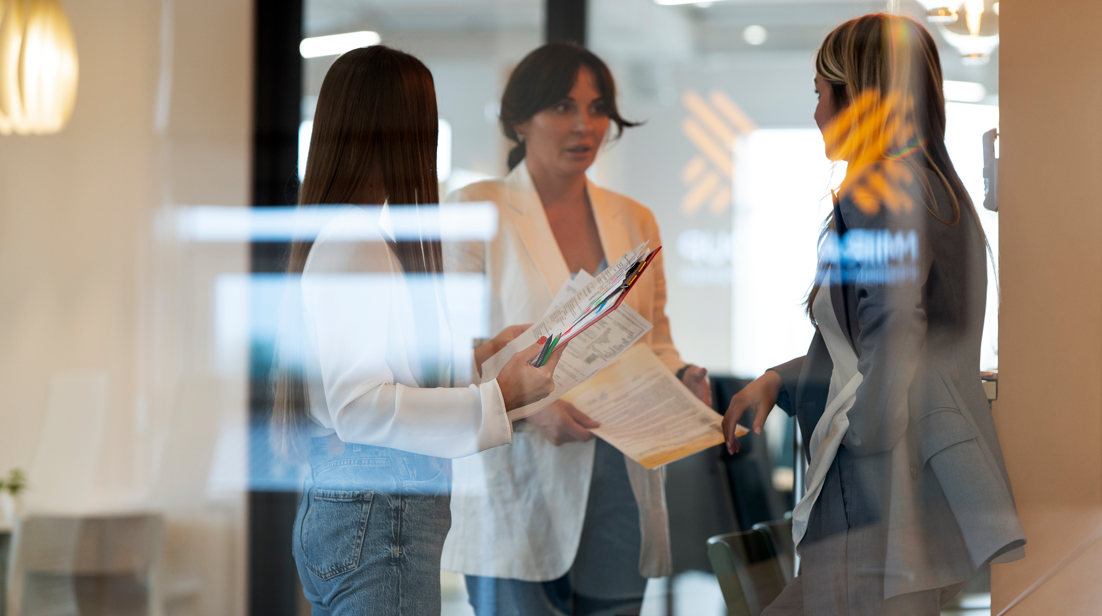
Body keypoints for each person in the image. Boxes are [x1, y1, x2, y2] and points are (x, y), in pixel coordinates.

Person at [721, 14, 1026, 615]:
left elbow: (893, 332)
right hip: (927, 497)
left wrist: (861, 439)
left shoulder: (879, 192)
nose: (815, 113)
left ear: (857, 95)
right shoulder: (940, 191)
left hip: (876, 501)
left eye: (819, 93)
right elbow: (875, 333)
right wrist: (780, 379)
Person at [271, 45, 569, 616]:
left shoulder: (347, 235)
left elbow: (375, 371)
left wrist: (480, 356)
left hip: (356, 503)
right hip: (378, 509)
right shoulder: (353, 240)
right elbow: (358, 406)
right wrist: (497, 399)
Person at [442, 42, 711, 616]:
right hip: (517, 478)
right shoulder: (473, 210)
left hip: (619, 471)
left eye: (597, 109)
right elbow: (444, 356)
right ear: (520, 119)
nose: (584, 126)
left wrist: (682, 376)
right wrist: (528, 408)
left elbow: (654, 339)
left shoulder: (634, 217)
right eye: (563, 107)